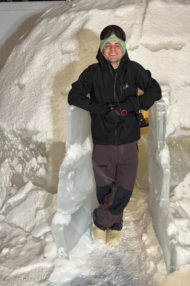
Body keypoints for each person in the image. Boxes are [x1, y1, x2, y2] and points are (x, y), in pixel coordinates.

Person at [68, 25, 162, 246]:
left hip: (129, 141)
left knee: (125, 188)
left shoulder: (134, 70)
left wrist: (129, 105)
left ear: (123, 48)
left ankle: (100, 220)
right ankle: (115, 224)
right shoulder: (91, 73)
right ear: (102, 49)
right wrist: (102, 110)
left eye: (117, 45)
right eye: (107, 45)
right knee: (106, 187)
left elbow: (154, 90)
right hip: (103, 142)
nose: (112, 50)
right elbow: (74, 95)